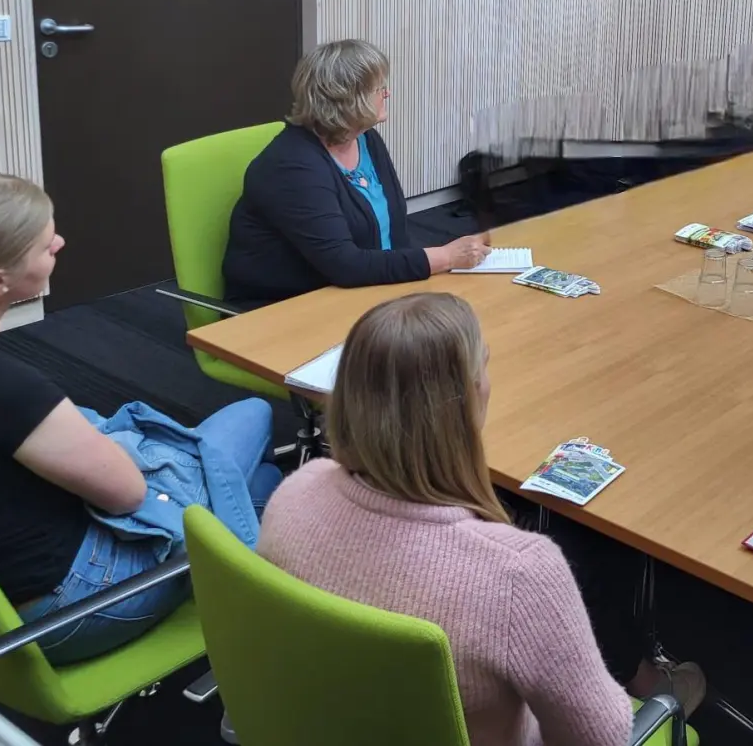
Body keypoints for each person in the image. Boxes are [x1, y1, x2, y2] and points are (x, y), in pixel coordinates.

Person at [256, 293, 702, 746]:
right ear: (468, 396)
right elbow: (600, 738)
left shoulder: (292, 493)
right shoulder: (519, 575)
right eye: (483, 368)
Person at [0, 173, 282, 665]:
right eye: (46, 244)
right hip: (72, 607)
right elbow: (128, 493)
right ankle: (265, 620)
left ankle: (253, 563)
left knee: (263, 480)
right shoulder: (3, 387)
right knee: (253, 414)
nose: (61, 243)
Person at [221, 39, 491, 307]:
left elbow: (394, 235)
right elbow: (344, 264)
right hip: (287, 309)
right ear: (350, 101)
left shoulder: (366, 139)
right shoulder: (292, 167)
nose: (387, 94)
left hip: (359, 291)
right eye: (379, 89)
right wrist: (445, 257)